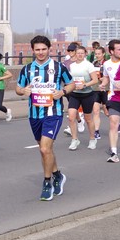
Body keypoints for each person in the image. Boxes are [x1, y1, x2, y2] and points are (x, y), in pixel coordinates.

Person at [14, 35, 75, 200]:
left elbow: (71, 84)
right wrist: (23, 91)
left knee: (45, 149)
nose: (40, 52)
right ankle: (58, 175)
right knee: (44, 150)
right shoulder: (27, 69)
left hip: (53, 113)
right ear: (33, 50)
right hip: (34, 115)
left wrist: (62, 92)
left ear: (49, 49)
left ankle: (47, 182)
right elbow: (18, 88)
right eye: (37, 50)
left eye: (43, 49)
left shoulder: (59, 67)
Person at [64, 42, 101, 151]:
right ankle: (74, 139)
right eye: (78, 53)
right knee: (71, 117)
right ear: (75, 54)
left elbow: (95, 80)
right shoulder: (72, 66)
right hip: (74, 94)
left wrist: (84, 85)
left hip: (87, 94)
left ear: (85, 54)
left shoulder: (88, 65)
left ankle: (92, 139)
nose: (80, 55)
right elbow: (69, 79)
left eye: (82, 53)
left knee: (88, 118)